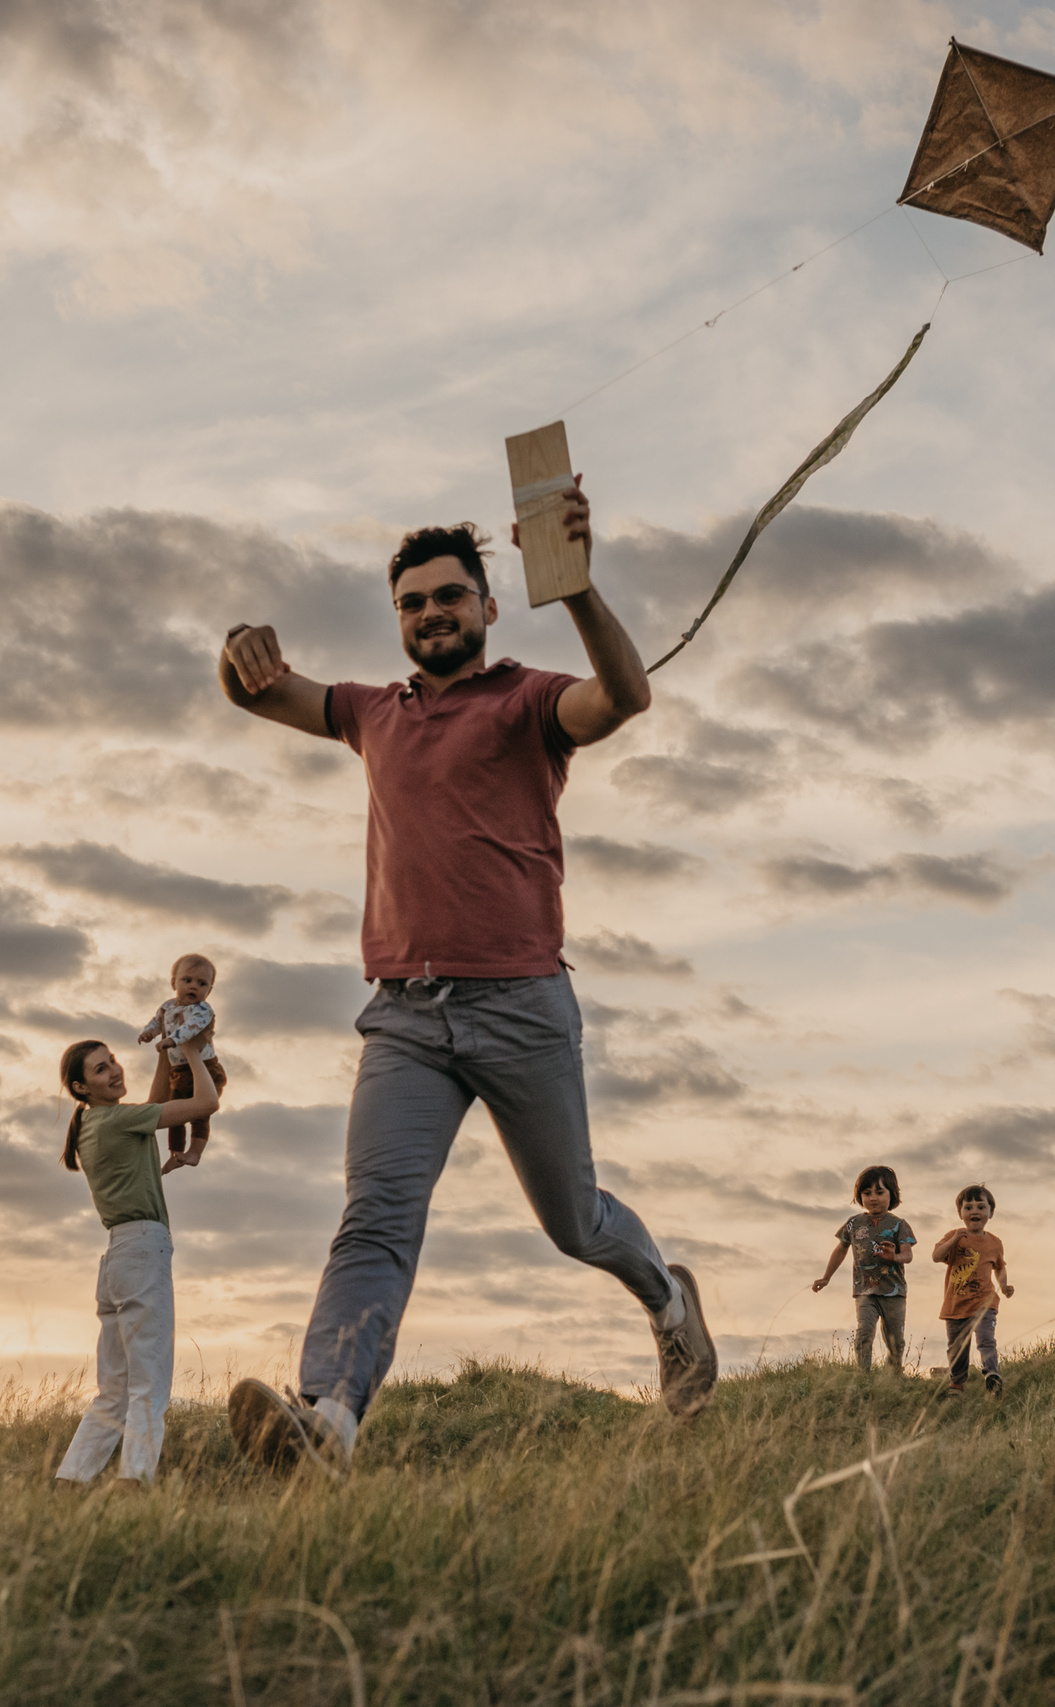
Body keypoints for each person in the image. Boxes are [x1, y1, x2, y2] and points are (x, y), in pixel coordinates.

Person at [215, 479, 717, 1474]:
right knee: (374, 1222)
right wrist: (238, 650)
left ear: (487, 609)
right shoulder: (370, 713)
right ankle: (327, 1422)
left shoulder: (528, 700)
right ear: (395, 619)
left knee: (574, 1222)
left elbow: (622, 694)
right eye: (411, 603)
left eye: (450, 597)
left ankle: (669, 1303)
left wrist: (572, 585)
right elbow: (258, 690)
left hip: (522, 1003)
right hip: (405, 1017)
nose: (430, 614)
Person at [50, 1026, 219, 1490]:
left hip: (118, 1258)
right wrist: (191, 1048)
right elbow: (206, 1104)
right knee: (149, 1384)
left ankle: (71, 1481)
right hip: (143, 1248)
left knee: (115, 1390)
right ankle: (135, 1481)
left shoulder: (92, 1123)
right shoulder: (120, 1120)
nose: (115, 1069)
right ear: (82, 1087)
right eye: (101, 1068)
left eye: (113, 1060)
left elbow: (152, 1104)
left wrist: (165, 1053)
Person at [809, 1165, 914, 1373]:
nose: (873, 1198)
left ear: (892, 1194)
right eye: (867, 1193)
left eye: (880, 1192)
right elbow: (840, 1250)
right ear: (860, 1196)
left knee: (896, 1341)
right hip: (865, 1291)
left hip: (893, 1292)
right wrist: (826, 1277)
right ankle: (863, 1377)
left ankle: (892, 1378)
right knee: (864, 1333)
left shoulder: (899, 1224)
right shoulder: (854, 1223)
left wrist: (894, 1257)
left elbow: (908, 1255)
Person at [137, 952, 226, 1172]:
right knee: (176, 1113)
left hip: (204, 1069)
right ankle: (176, 1153)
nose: (194, 987)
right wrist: (149, 1033)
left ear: (209, 990)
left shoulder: (203, 1010)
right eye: (187, 980)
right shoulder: (167, 1007)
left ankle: (195, 1151)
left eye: (202, 983)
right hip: (178, 1072)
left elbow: (190, 1029)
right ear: (173, 983)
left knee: (199, 1113)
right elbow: (157, 1022)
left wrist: (172, 1039)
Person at [930, 1183, 1012, 1397]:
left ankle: (992, 1374)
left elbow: (1000, 1267)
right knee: (957, 1348)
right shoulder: (954, 1236)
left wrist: (1004, 1286)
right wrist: (954, 1240)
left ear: (990, 1212)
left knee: (986, 1339)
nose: (974, 1211)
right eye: (968, 1208)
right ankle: (957, 1384)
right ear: (961, 1213)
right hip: (956, 1304)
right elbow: (937, 1256)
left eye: (980, 1207)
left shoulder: (995, 1243)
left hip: (985, 1302)